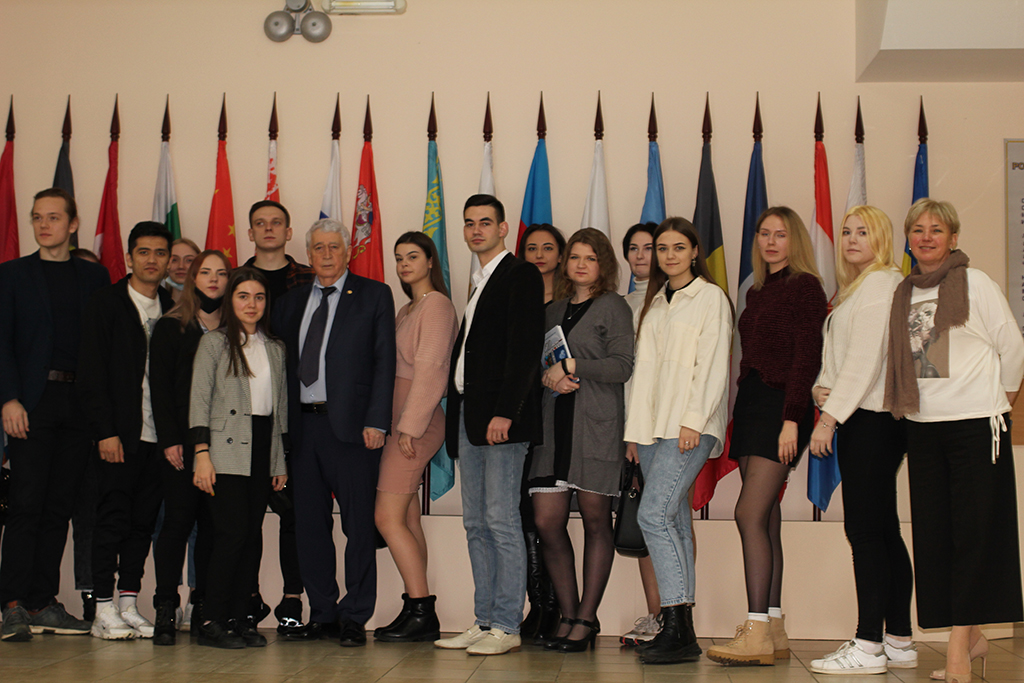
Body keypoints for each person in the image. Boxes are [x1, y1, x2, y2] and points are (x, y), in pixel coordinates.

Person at [884, 199, 1024, 683]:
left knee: (975, 537)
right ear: (908, 239)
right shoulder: (904, 293)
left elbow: (1012, 345)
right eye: (918, 230)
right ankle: (974, 636)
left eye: (937, 229)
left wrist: (1000, 399)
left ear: (953, 238)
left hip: (975, 425)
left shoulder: (975, 283)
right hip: (923, 427)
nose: (926, 237)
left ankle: (959, 650)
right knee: (937, 539)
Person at [706, 207, 827, 666]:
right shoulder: (756, 291)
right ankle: (773, 626)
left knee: (748, 513)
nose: (771, 242)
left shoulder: (805, 286)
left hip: (782, 407)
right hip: (753, 404)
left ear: (795, 240)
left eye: (780, 234)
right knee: (767, 515)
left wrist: (793, 419)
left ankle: (755, 628)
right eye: (764, 234)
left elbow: (807, 356)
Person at [273, 218, 396, 647]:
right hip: (302, 429)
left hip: (353, 431)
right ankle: (323, 612)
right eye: (318, 248)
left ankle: (355, 615)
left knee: (359, 527)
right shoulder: (289, 303)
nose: (326, 255)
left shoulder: (374, 295)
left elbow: (384, 361)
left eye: (334, 247)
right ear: (308, 254)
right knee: (309, 526)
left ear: (348, 252)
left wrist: (377, 421)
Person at [807, 206, 917, 674]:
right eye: (847, 231)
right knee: (883, 530)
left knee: (866, 532)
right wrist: (821, 388)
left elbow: (865, 361)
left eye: (863, 232)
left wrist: (827, 419)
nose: (852, 239)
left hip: (871, 420)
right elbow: (842, 359)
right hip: (868, 418)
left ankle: (869, 644)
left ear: (883, 239)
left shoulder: (880, 284)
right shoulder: (861, 286)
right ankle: (899, 641)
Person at [434, 194, 544, 656]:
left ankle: (506, 624)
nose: (475, 230)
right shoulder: (479, 282)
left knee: (501, 520)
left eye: (485, 222)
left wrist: (507, 411)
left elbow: (524, 350)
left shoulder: (520, 274)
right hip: (469, 417)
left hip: (500, 421)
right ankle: (484, 621)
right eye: (469, 223)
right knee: (476, 523)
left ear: (503, 229)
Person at [0, 188, 109, 642]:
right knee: (26, 504)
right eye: (37, 218)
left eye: (53, 217)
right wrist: (9, 399)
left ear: (73, 224)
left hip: (78, 405)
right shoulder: (11, 275)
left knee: (59, 508)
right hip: (32, 403)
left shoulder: (95, 277)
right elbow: (2, 342)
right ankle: (11, 604)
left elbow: (102, 346)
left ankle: (41, 602)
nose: (44, 225)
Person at [624, 218, 732, 664]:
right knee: (675, 523)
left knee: (653, 515)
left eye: (677, 247)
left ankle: (674, 622)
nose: (668, 256)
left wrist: (693, 420)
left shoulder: (710, 298)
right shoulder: (654, 303)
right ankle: (682, 631)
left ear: (694, 252)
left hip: (689, 427)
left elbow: (713, 365)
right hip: (651, 429)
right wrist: (633, 433)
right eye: (661, 248)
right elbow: (641, 373)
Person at [528, 228, 633, 653]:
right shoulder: (551, 310)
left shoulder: (613, 306)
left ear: (603, 264)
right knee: (546, 522)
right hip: (553, 431)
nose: (581, 264)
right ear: (565, 263)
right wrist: (548, 376)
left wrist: (573, 366)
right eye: (575, 257)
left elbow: (622, 366)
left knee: (595, 521)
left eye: (590, 258)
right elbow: (538, 367)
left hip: (596, 429)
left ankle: (587, 619)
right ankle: (569, 614)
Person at [78, 221, 175, 640]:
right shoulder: (106, 303)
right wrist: (105, 431)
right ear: (130, 257)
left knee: (142, 525)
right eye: (144, 252)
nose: (152, 260)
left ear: (168, 261)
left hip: (159, 439)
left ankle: (128, 604)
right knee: (111, 521)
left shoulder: (174, 306)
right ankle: (102, 607)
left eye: (160, 253)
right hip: (118, 436)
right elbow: (91, 373)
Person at [189, 267, 289, 649]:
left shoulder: (275, 348)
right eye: (243, 296)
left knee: (251, 537)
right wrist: (201, 454)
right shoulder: (214, 343)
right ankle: (211, 618)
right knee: (230, 535)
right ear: (230, 300)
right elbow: (199, 401)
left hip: (261, 445)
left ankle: (240, 617)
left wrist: (278, 462)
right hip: (224, 448)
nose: (252, 304)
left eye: (259, 297)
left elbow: (278, 412)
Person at [373, 232, 458, 643]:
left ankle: (422, 609)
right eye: (399, 258)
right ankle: (416, 607)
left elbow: (432, 368)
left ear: (430, 262)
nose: (404, 264)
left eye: (412, 256)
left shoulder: (437, 305)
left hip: (414, 424)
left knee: (385, 517)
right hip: (400, 421)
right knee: (406, 517)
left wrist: (410, 425)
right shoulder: (408, 307)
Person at [149, 249, 231, 645]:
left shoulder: (236, 329)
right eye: (205, 272)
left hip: (225, 447)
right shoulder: (172, 326)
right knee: (177, 524)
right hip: (181, 446)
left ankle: (203, 607)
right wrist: (169, 440)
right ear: (192, 278)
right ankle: (166, 606)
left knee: (213, 528)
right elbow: (160, 389)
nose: (213, 279)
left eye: (221, 273)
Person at [243, 199, 315, 638]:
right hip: (246, 415)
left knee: (295, 513)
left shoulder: (310, 278)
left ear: (289, 232)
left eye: (276, 223)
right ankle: (248, 596)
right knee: (246, 515)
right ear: (250, 232)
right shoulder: (237, 280)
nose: (268, 229)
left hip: (297, 413)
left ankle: (292, 597)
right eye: (260, 223)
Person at [516, 222, 566, 643]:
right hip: (519, 419)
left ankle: (559, 606)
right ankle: (539, 602)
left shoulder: (571, 302)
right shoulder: (515, 299)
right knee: (523, 514)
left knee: (547, 517)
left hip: (558, 420)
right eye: (531, 248)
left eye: (548, 248)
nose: (539, 255)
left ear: (561, 256)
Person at [619, 221, 665, 648]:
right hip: (630, 428)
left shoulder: (674, 301)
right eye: (633, 248)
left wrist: (641, 432)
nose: (640, 255)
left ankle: (673, 615)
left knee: (665, 522)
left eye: (648, 247)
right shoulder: (621, 304)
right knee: (643, 525)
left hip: (663, 430)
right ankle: (657, 615)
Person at [164, 238, 200, 303]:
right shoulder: (156, 300)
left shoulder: (209, 304)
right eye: (174, 260)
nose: (181, 266)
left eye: (189, 260)